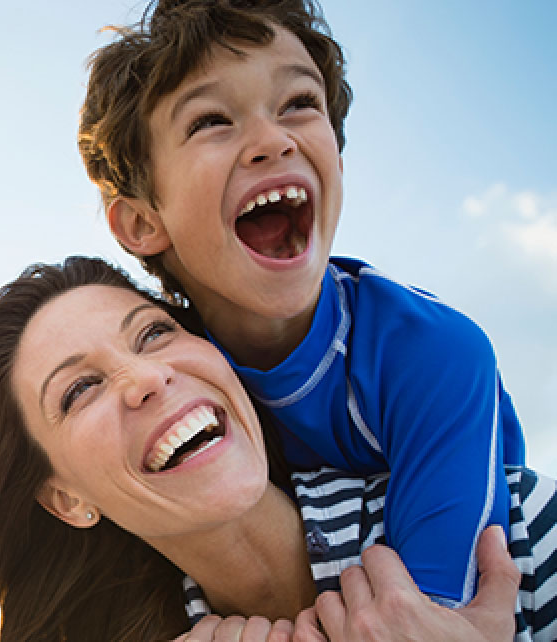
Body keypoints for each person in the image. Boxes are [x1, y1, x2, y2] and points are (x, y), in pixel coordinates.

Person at [0, 257, 555, 641]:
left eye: (152, 333)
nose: (147, 377)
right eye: (79, 390)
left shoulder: (514, 531)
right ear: (66, 499)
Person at [78, 0, 526, 607]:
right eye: (211, 120)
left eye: (298, 104)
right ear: (140, 221)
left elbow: (433, 617)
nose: (273, 140)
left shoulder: (434, 354)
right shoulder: (166, 386)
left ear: (336, 159)